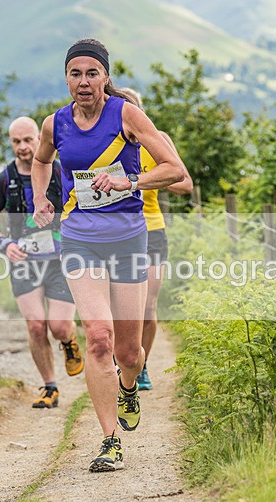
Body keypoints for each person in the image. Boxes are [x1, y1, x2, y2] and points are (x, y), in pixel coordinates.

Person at [31, 39, 186, 472]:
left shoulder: (126, 115)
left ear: (105, 77)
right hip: (80, 239)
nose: (83, 82)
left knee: (129, 351)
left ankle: (130, 386)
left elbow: (176, 170)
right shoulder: (54, 124)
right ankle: (109, 441)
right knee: (98, 338)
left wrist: (130, 183)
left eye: (92, 73)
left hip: (129, 240)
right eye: (75, 73)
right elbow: (42, 162)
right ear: (66, 78)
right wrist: (42, 198)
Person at [0, 116, 84, 409]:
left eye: (28, 140)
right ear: (11, 143)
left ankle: (68, 341)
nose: (23, 147)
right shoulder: (5, 179)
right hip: (24, 261)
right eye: (16, 142)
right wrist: (3, 244)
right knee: (36, 326)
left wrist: (76, 243)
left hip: (60, 260)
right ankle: (50, 386)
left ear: (40, 139)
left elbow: (82, 207)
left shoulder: (62, 172)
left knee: (59, 326)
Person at [113, 87, 193, 391]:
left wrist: (152, 179)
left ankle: (142, 365)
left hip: (153, 229)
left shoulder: (156, 140)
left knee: (147, 305)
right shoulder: (108, 143)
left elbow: (185, 183)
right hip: (118, 231)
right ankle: (121, 364)